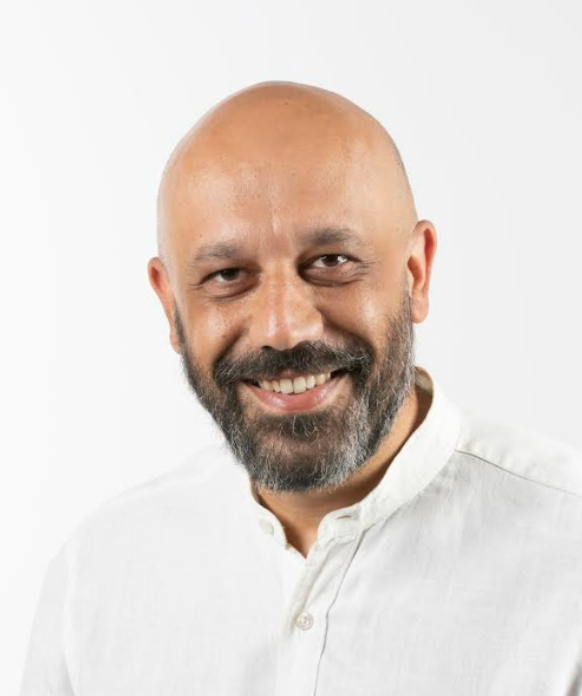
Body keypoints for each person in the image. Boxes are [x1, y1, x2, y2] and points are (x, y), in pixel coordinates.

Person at [21, 81, 582, 695]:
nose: (283, 328)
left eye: (332, 261)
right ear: (170, 305)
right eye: (227, 275)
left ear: (415, 273)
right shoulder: (98, 576)